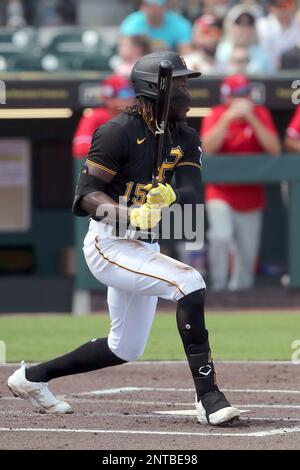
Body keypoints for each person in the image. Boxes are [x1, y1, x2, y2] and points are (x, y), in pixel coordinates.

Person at [7, 51, 240, 426]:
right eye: (179, 85)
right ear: (157, 89)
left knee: (125, 347)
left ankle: (31, 378)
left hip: (143, 245)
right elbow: (85, 197)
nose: (187, 92)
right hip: (109, 243)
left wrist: (170, 196)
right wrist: (127, 213)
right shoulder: (117, 131)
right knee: (189, 282)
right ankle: (209, 397)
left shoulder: (185, 135)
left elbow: (193, 192)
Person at [201, 74, 281, 291]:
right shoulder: (216, 114)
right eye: (238, 94)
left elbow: (274, 149)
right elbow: (208, 148)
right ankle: (217, 287)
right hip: (221, 192)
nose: (243, 98)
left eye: (246, 93)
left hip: (251, 195)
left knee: (247, 252)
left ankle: (241, 296)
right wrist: (227, 119)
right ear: (227, 97)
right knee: (221, 236)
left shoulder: (260, 113)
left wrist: (252, 118)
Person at [72, 75, 135, 158]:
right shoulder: (94, 117)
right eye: (124, 93)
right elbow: (80, 149)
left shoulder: (135, 118)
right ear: (109, 99)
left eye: (131, 92)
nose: (130, 97)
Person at [216, 4, 274, 74]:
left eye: (249, 23)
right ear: (230, 26)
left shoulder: (264, 55)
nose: (244, 28)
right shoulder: (218, 51)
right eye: (239, 23)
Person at [120, 0, 192, 55]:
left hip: (171, 67)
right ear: (142, 6)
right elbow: (125, 52)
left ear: (165, 7)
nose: (154, 11)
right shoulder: (132, 22)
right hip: (140, 65)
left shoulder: (180, 23)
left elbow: (186, 52)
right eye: (150, 6)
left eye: (157, 6)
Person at [257, 0, 300, 69]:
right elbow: (263, 54)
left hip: (295, 68)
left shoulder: (298, 24)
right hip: (269, 71)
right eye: (277, 4)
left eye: (286, 4)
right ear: (270, 7)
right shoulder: (262, 25)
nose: (282, 8)